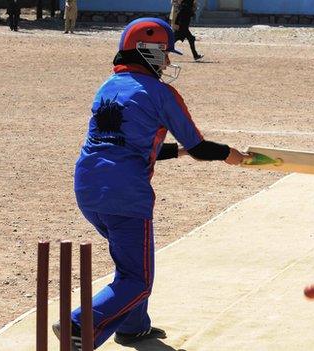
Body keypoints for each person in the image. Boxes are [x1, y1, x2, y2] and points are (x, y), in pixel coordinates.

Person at [52, 18, 249, 350]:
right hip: (125, 194)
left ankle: (133, 327)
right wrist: (229, 153)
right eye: (166, 53)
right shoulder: (161, 93)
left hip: (88, 188)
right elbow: (201, 146)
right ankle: (79, 322)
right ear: (149, 51)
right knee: (138, 280)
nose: (169, 61)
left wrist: (180, 153)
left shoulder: (108, 86)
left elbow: (128, 144)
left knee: (131, 263)